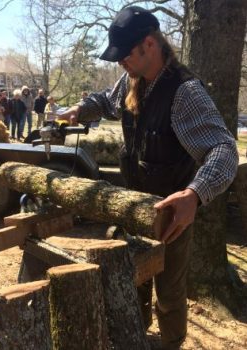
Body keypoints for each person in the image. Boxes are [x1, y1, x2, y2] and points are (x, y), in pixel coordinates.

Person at [57, 6, 238, 349]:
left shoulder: (185, 92)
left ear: (150, 45)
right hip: (134, 208)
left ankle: (171, 344)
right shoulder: (131, 79)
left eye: (125, 54)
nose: (120, 62)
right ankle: (134, 337)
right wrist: (80, 109)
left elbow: (224, 149)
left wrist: (195, 194)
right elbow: (106, 102)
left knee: (169, 294)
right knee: (133, 281)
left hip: (172, 217)